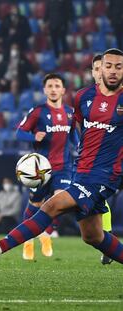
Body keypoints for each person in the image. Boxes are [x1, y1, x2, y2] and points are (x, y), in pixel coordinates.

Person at [0, 48, 123, 266]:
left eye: (118, 67)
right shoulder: (84, 96)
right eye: (108, 66)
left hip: (105, 176)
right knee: (92, 235)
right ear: (98, 69)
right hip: (82, 173)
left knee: (51, 206)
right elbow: (81, 131)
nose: (112, 71)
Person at [16, 73, 77, 260]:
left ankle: (46, 234)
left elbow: (74, 136)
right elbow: (19, 133)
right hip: (41, 169)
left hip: (64, 166)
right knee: (35, 204)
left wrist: (82, 148)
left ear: (63, 90)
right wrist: (33, 137)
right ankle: (28, 240)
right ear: (44, 90)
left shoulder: (70, 113)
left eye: (57, 86)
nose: (53, 89)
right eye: (49, 86)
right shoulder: (38, 112)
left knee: (60, 201)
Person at [89, 54, 113, 265]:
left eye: (101, 68)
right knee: (99, 198)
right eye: (95, 69)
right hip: (97, 162)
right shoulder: (86, 98)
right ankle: (107, 241)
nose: (99, 73)